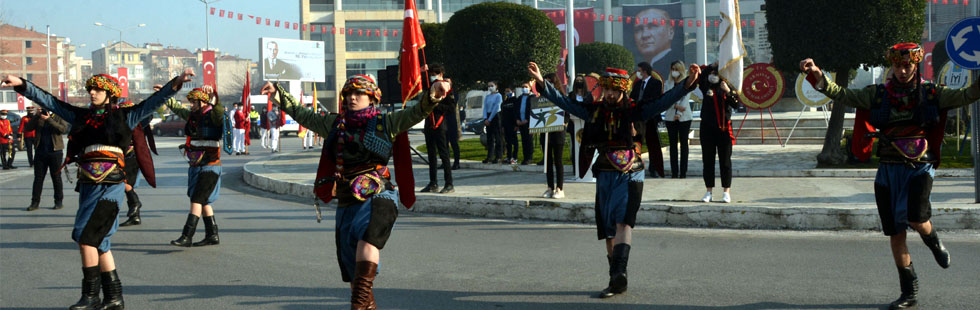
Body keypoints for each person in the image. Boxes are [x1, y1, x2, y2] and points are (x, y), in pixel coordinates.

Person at [802, 43, 976, 309]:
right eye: (898, 66)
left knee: (917, 219)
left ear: (916, 65)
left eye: (908, 66)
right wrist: (815, 73)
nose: (903, 70)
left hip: (920, 165)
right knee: (895, 232)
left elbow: (966, 96)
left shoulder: (932, 93)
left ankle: (933, 239)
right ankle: (909, 293)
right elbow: (842, 94)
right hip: (887, 169)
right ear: (892, 66)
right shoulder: (878, 94)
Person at [4, 69, 191, 310]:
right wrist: (20, 84)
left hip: (110, 185)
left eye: (98, 89)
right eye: (90, 89)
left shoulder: (127, 116)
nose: (92, 93)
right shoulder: (80, 116)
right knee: (99, 242)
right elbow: (49, 100)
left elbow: (155, 101)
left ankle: (90, 296)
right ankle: (114, 298)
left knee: (85, 236)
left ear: (110, 93)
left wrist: (176, 83)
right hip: (87, 186)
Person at [261, 74, 447, 309]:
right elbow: (303, 114)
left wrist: (434, 94)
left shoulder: (386, 122)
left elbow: (415, 113)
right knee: (353, 273)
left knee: (367, 242)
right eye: (348, 94)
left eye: (358, 93)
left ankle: (357, 306)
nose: (352, 98)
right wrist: (278, 94)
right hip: (347, 200)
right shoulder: (334, 124)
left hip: (379, 195)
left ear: (372, 98)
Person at [529, 61, 699, 298]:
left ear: (623, 91)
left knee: (623, 222)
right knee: (608, 229)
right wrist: (541, 83)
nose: (609, 94)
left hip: (632, 172)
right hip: (605, 172)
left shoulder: (635, 110)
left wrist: (686, 86)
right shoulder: (595, 110)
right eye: (606, 89)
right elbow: (566, 103)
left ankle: (620, 274)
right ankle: (615, 278)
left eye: (614, 90)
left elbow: (663, 101)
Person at [164, 86, 225, 248]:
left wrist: (214, 96)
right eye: (190, 102)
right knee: (203, 201)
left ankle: (187, 236)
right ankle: (212, 235)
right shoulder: (192, 115)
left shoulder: (213, 115)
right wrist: (164, 94)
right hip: (195, 163)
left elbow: (219, 109)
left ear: (203, 101)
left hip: (211, 164)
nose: (191, 105)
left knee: (197, 199)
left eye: (193, 102)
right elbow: (177, 108)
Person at [696, 64, 738, 203]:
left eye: (716, 73)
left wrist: (728, 91)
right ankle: (709, 191)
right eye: (712, 73)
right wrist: (712, 66)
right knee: (708, 160)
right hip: (707, 127)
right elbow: (701, 75)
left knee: (725, 161)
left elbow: (736, 104)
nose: (713, 75)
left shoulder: (727, 86)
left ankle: (726, 191)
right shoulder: (706, 86)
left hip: (724, 128)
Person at [116, 98, 158, 228]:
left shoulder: (138, 121)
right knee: (125, 183)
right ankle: (135, 216)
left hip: (133, 155)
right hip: (123, 156)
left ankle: (135, 204)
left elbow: (149, 114)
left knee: (123, 181)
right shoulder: (121, 123)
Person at [421, 64, 455, 193]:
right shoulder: (430, 86)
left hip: (440, 124)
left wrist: (435, 104)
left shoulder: (445, 87)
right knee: (431, 155)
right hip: (429, 123)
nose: (431, 76)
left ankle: (449, 183)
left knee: (443, 154)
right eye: (430, 74)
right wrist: (421, 71)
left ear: (440, 73)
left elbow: (451, 108)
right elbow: (419, 84)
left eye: (434, 73)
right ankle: (433, 183)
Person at [26, 109, 68, 211]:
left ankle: (58, 201)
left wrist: (49, 119)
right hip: (40, 152)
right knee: (38, 178)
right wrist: (36, 116)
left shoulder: (58, 115)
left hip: (55, 152)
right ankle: (35, 202)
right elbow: (28, 128)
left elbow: (63, 129)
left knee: (56, 177)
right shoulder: (38, 117)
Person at [631, 62, 666, 178]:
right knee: (636, 143)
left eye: (639, 71)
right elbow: (632, 98)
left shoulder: (656, 83)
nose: (638, 73)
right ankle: (636, 166)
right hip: (638, 118)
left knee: (652, 144)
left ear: (644, 71)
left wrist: (641, 103)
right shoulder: (637, 84)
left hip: (650, 118)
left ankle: (654, 169)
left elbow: (654, 98)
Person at [538, 73, 568, 199]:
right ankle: (550, 187)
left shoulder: (561, 97)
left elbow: (567, 113)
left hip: (558, 133)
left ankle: (559, 188)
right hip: (546, 133)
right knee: (548, 161)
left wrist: (563, 122)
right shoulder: (541, 98)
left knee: (558, 161)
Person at [663, 60, 693, 178]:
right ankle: (674, 172)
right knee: (673, 145)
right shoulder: (668, 83)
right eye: (672, 69)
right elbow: (666, 98)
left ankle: (683, 172)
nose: (674, 72)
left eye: (676, 69)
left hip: (684, 117)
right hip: (670, 117)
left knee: (684, 145)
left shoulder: (687, 82)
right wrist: (675, 106)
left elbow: (685, 100)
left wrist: (679, 114)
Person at [632, 7, 680, 76]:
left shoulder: (675, 66)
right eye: (638, 29)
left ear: (670, 32)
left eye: (653, 26)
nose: (645, 35)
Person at [482, 81, 503, 164]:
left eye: (492, 85)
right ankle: (490, 156)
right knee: (489, 138)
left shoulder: (498, 96)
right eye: (489, 86)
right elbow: (485, 108)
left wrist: (490, 119)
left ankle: (498, 156)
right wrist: (485, 118)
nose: (490, 87)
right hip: (488, 116)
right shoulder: (487, 97)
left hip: (495, 116)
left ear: (496, 86)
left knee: (498, 137)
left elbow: (497, 107)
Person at [516, 81, 537, 165]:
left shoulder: (532, 97)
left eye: (526, 87)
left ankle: (529, 158)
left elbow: (533, 109)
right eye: (522, 87)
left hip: (529, 122)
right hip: (520, 122)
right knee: (524, 141)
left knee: (529, 140)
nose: (524, 88)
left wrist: (527, 119)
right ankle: (525, 157)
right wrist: (517, 119)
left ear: (530, 88)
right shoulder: (519, 98)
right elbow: (516, 109)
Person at [500, 86, 521, 164]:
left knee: (514, 142)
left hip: (513, 125)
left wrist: (516, 124)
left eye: (508, 91)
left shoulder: (515, 100)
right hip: (506, 125)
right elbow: (502, 114)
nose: (507, 93)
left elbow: (516, 113)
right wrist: (502, 125)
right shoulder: (504, 102)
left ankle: (515, 157)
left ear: (512, 91)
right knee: (508, 142)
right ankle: (509, 157)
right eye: (506, 91)